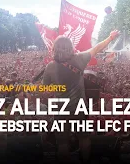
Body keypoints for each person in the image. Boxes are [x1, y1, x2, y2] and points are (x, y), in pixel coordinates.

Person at [42, 30, 119, 163]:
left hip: (61, 109)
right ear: (71, 47)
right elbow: (96, 48)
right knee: (84, 138)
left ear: (55, 48)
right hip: (79, 108)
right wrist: (110, 37)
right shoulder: (79, 59)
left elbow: (45, 90)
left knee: (62, 143)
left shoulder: (50, 67)